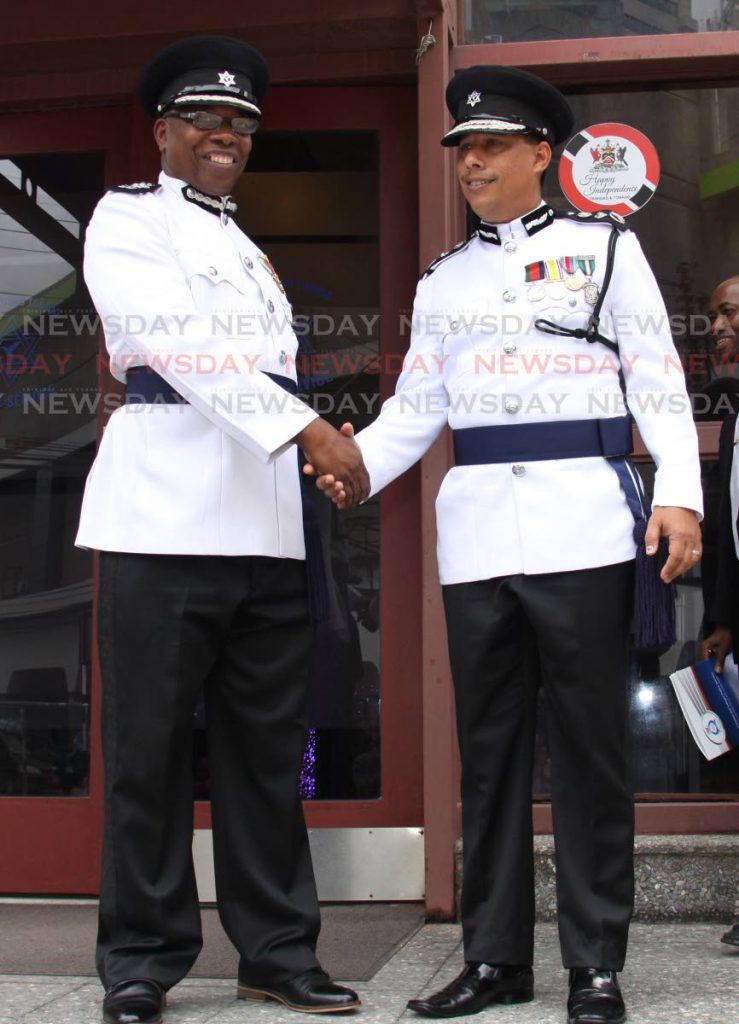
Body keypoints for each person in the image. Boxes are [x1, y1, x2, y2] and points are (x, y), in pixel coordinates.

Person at [310, 66, 703, 1023]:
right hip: (479, 535)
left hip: (581, 523)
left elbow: (655, 376)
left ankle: (593, 966)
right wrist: (353, 465)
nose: (472, 163)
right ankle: (494, 960)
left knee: (589, 752)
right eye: (462, 150)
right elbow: (417, 410)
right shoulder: (441, 281)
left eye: (489, 147)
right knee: (487, 756)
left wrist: (681, 496)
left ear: (541, 154)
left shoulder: (603, 248)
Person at [76, 35, 367, 1024]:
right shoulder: (126, 220)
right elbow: (177, 348)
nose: (225, 134)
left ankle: (276, 953)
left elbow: (259, 379)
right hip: (162, 521)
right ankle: (141, 960)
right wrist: (311, 430)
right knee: (149, 752)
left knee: (263, 757)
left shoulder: (249, 250)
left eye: (240, 122)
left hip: (266, 529)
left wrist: (316, 451)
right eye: (203, 117)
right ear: (160, 128)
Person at [699, 276, 739, 951]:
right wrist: (722, 620)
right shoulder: (732, 418)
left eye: (731, 312)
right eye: (713, 316)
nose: (716, 328)